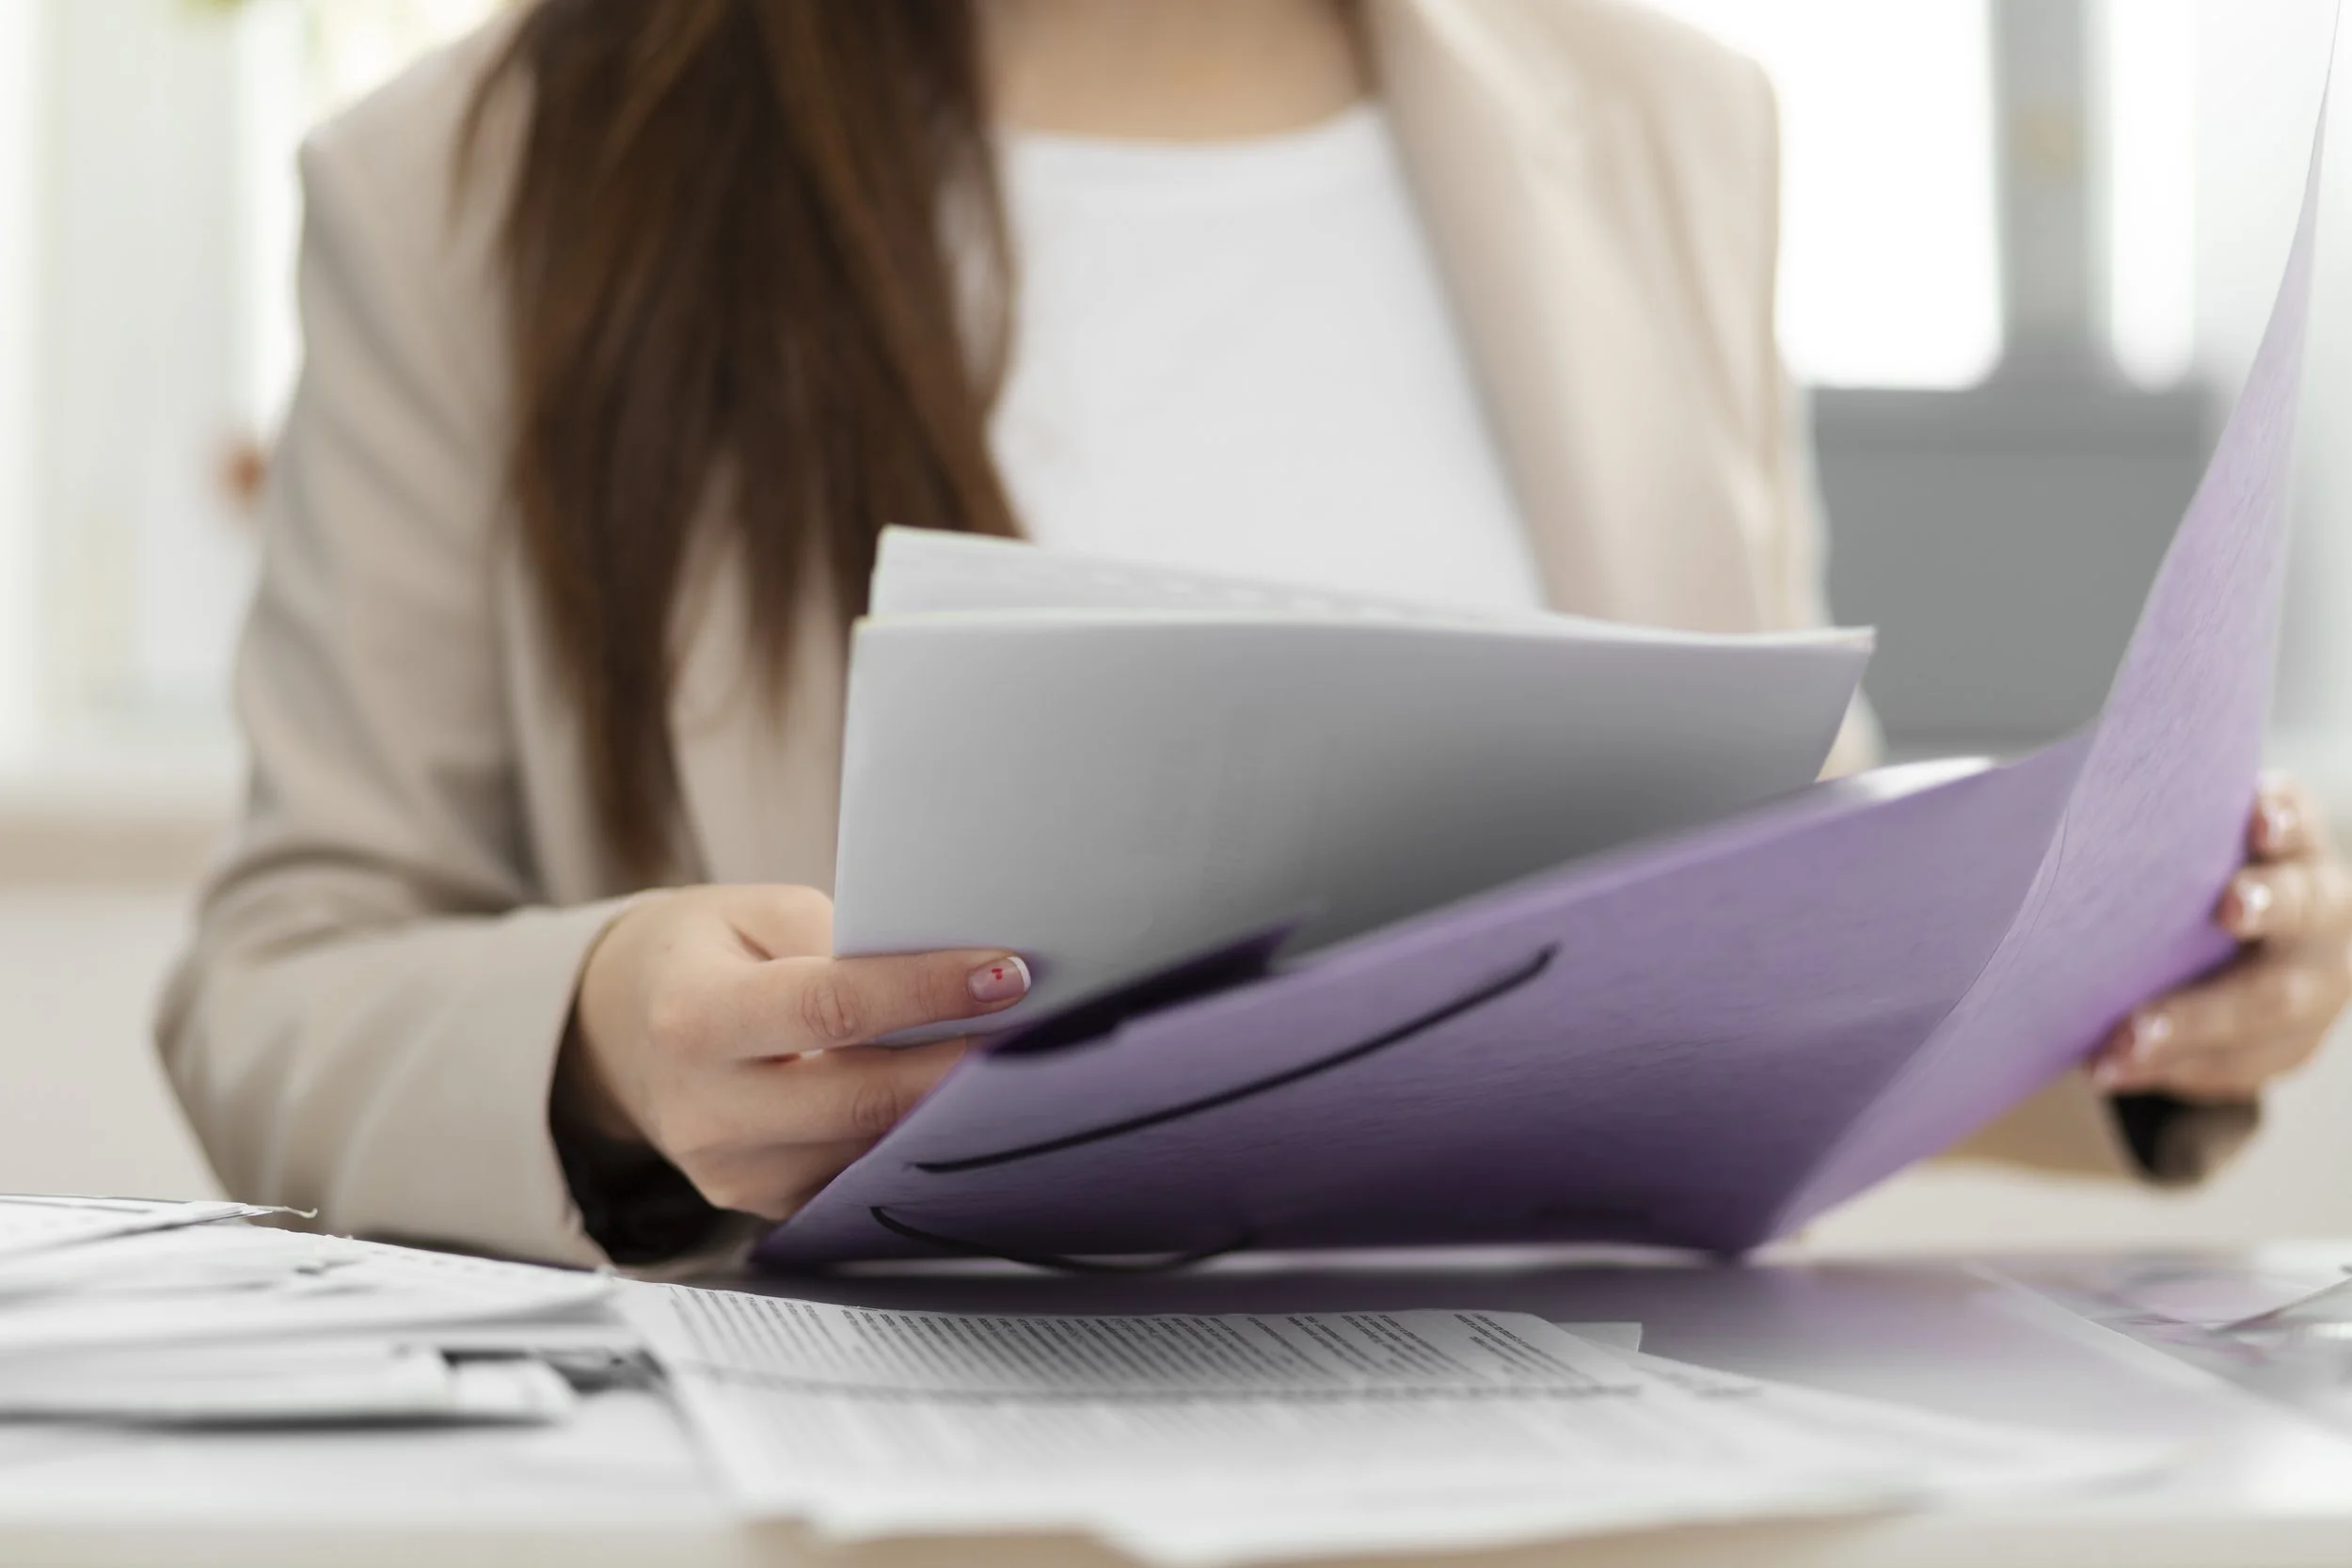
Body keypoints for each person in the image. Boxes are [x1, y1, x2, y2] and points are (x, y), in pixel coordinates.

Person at [158, 0, 2352, 1270]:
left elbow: (1773, 938)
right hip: (855, 1485)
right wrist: (601, 1035)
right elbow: (280, 973)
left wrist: (2164, 983)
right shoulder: (474, 176)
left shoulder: (1664, 126)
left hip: (1576, 1473)